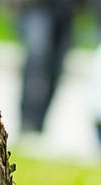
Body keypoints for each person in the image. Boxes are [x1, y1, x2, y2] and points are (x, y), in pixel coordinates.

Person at [16, 0, 80, 135]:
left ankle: (38, 124)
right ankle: (28, 121)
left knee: (56, 68)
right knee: (37, 59)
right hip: (38, 7)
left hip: (66, 9)